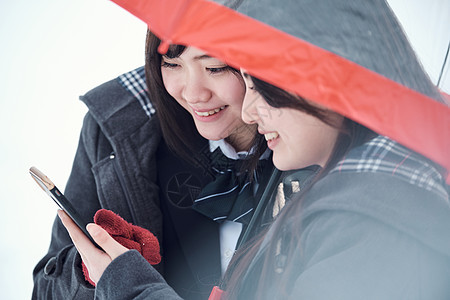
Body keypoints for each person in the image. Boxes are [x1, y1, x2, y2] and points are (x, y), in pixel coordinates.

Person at [32, 29, 274, 300]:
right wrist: (89, 272)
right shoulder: (118, 131)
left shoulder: (317, 150)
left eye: (215, 68)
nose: (193, 94)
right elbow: (45, 290)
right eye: (172, 64)